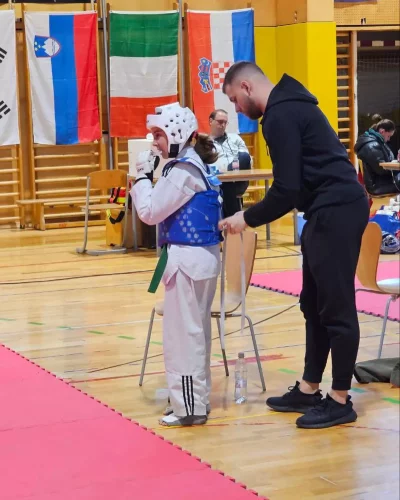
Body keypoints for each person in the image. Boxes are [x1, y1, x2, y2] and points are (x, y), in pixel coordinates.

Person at [219, 61, 370, 429]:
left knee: (335, 307)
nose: (237, 109)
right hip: (325, 209)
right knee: (313, 304)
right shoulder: (291, 105)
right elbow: (298, 185)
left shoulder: (280, 115)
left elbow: (287, 189)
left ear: (246, 86)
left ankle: (339, 399)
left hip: (337, 209)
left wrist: (246, 217)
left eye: (235, 100)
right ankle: (309, 387)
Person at [131, 102, 222, 427]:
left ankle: (188, 408)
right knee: (195, 333)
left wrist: (141, 176)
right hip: (198, 259)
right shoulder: (194, 164)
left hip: (187, 262)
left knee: (183, 336)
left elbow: (150, 212)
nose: (154, 142)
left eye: (159, 134)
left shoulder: (183, 170)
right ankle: (194, 401)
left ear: (178, 134)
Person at [208, 109, 252, 216]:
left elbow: (246, 159)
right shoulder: (205, 143)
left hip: (239, 180)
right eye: (219, 121)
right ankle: (233, 217)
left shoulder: (235, 138)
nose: (222, 125)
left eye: (225, 122)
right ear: (211, 121)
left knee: (244, 156)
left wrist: (230, 169)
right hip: (219, 182)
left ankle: (231, 217)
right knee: (227, 184)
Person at [355, 115, 399, 196]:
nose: (389, 139)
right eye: (388, 136)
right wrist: (397, 168)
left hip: (381, 181)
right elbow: (381, 170)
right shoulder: (372, 146)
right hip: (377, 184)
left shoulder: (377, 142)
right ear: (382, 131)